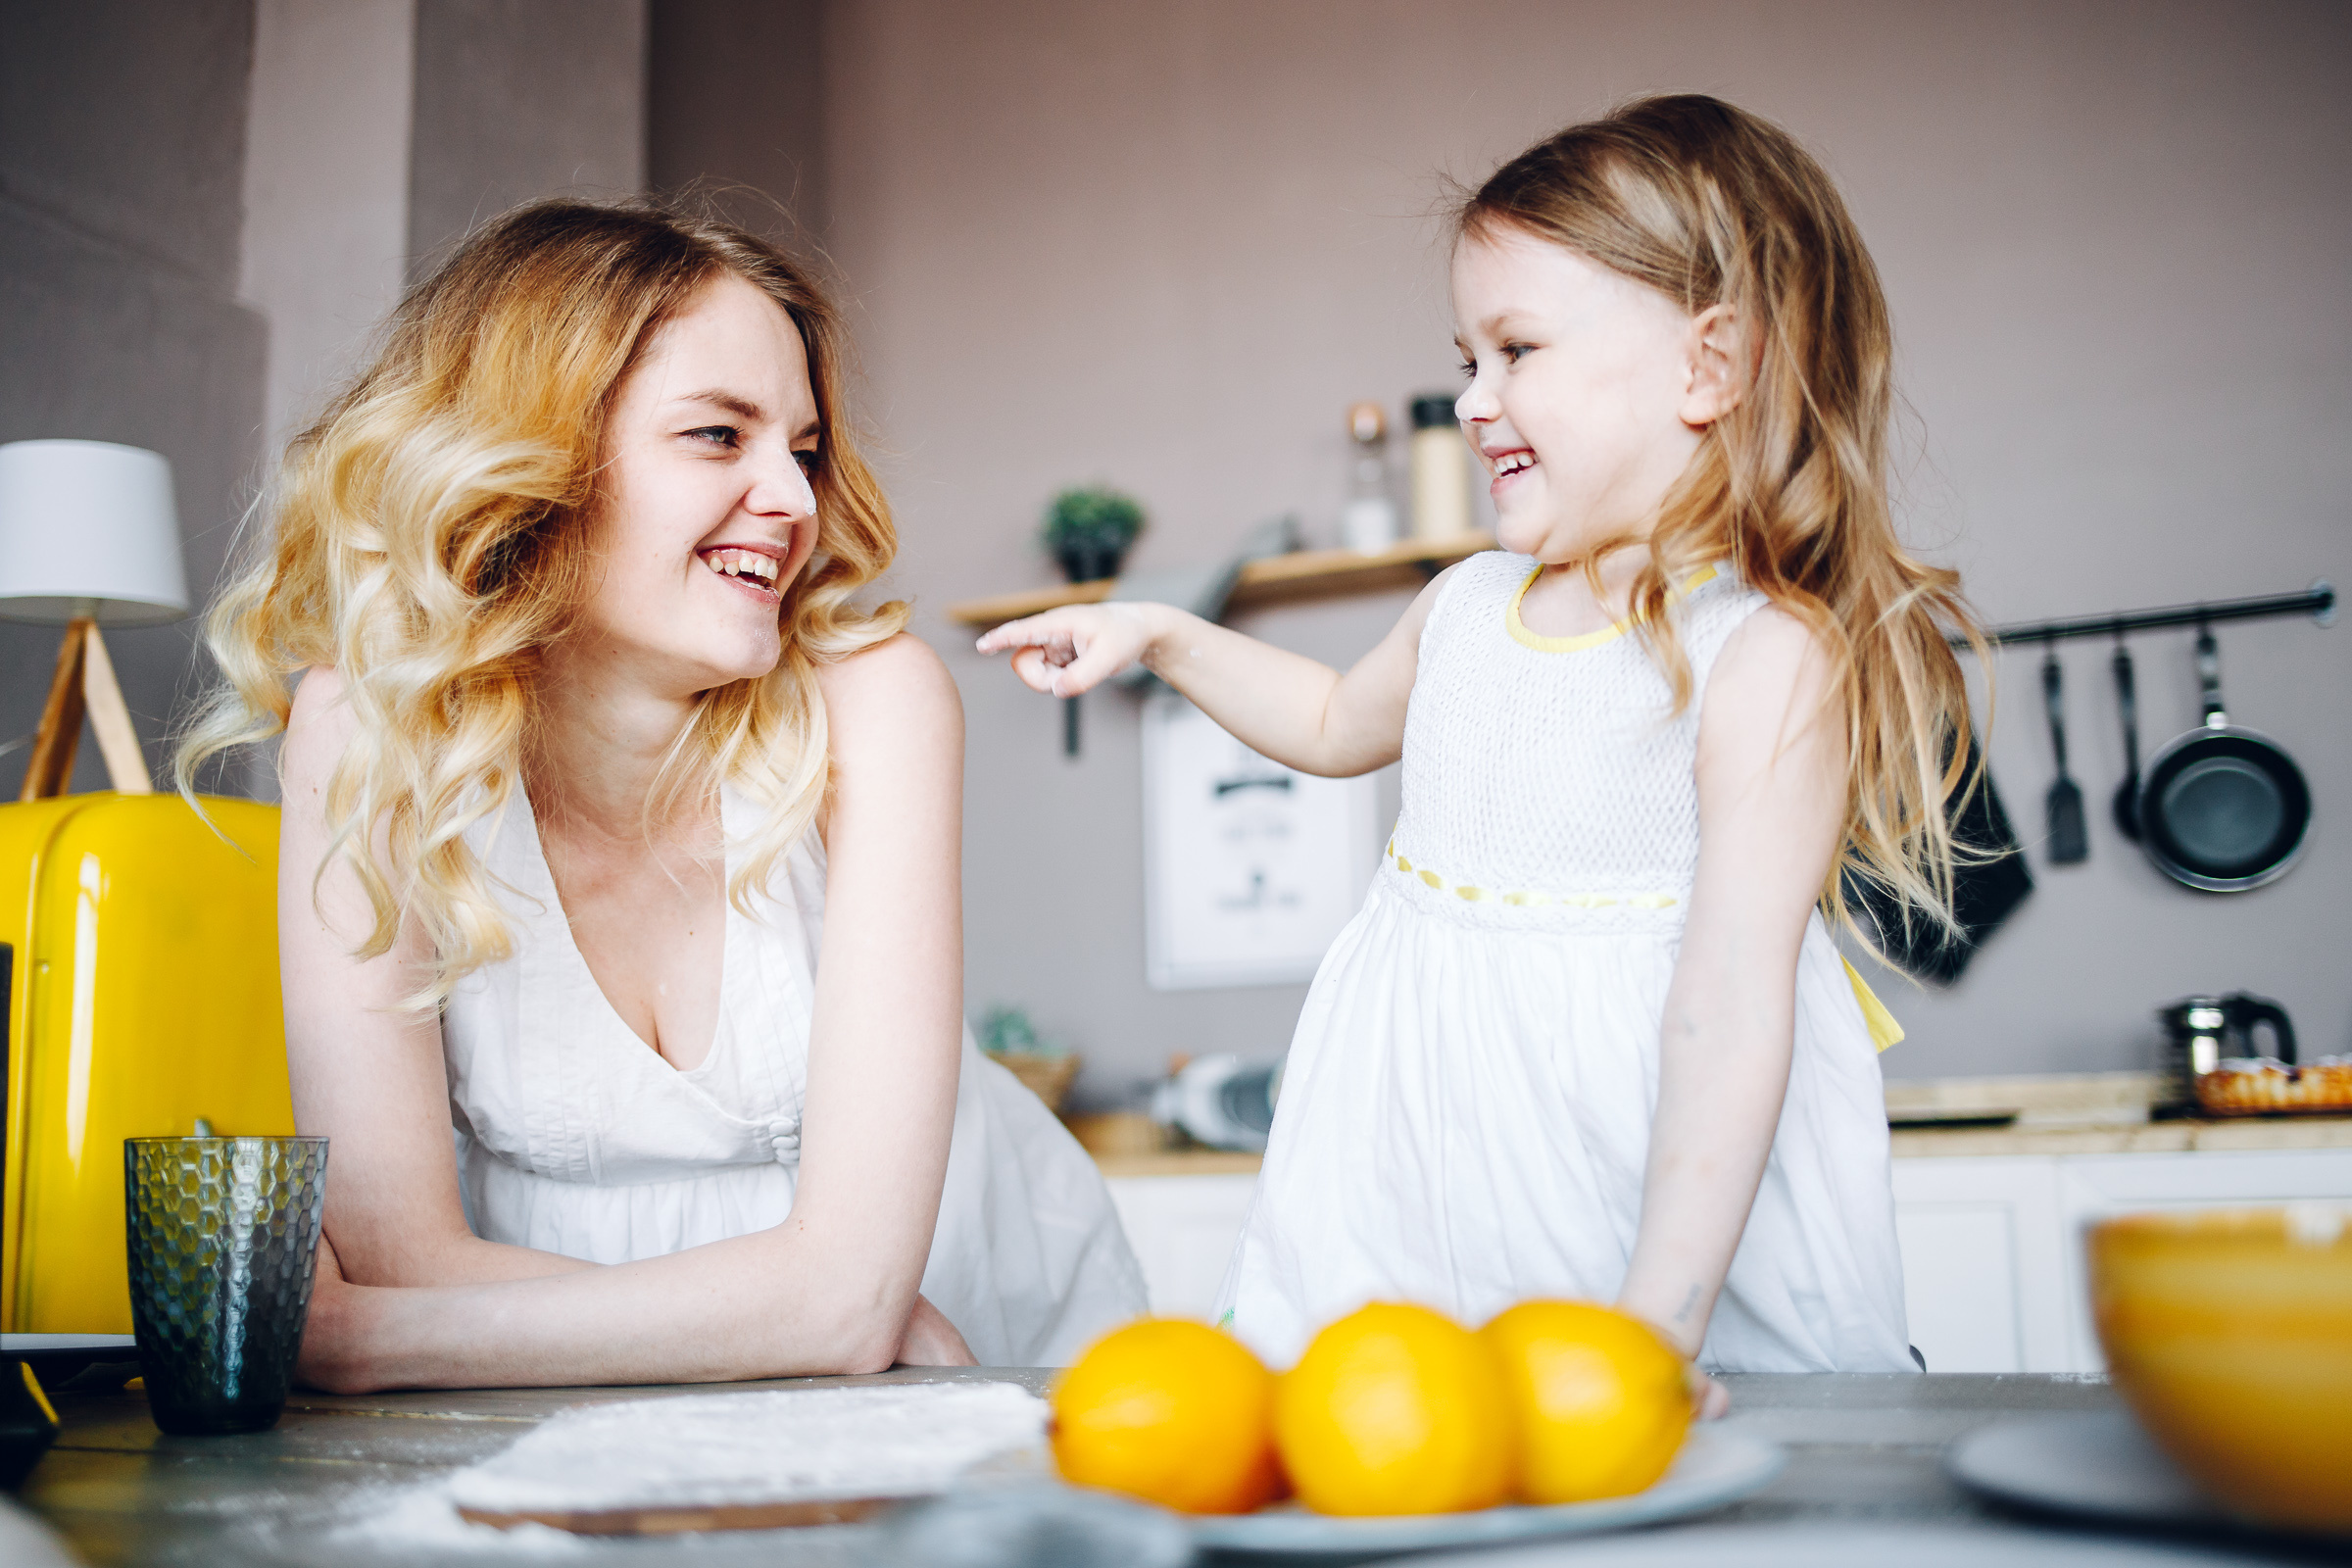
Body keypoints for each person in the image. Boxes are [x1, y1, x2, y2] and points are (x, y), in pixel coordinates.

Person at [979, 96, 1979, 1387]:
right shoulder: (1466, 608)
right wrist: (1166, 637)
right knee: (1411, 1444)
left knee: (1632, 1467)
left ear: (1709, 367)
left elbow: (1731, 1013)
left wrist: (1658, 1330)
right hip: (1423, 1168)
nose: (1472, 400)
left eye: (1516, 350)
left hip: (1630, 1199)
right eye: (1467, 357)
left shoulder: (1764, 655)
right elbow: (1336, 725)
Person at [180, 199, 1145, 1392]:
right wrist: (783, 1319)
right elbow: (399, 1247)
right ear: (535, 463)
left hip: (973, 1343)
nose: (793, 498)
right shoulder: (368, 729)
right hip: (555, 1398)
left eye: (801, 445)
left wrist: (370, 1341)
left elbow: (848, 1301)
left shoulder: (876, 704)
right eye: (716, 437)